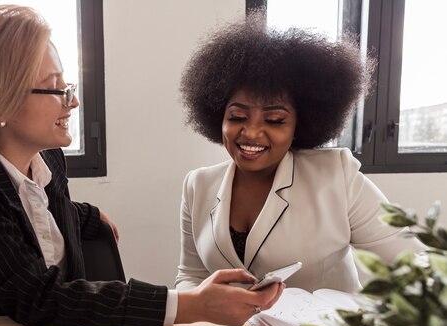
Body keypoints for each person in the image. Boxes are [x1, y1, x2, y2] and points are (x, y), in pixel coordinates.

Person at [0, 5, 283, 326]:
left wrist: (85, 215)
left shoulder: (47, 159)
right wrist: (191, 305)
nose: (72, 102)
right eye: (54, 89)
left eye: (66, 85)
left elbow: (27, 210)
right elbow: (36, 296)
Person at [175, 12, 424, 293]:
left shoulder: (336, 176)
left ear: (299, 125)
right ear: (219, 117)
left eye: (274, 120)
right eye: (237, 117)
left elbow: (413, 264)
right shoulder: (197, 185)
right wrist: (200, 304)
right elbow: (190, 276)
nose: (252, 132)